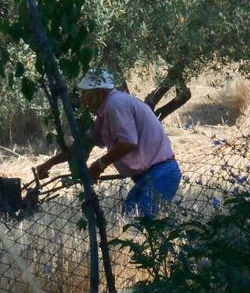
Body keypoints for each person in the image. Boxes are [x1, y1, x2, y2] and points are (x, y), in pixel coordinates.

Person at [33, 68, 181, 220]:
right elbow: (81, 147)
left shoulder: (115, 105)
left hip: (160, 173)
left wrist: (98, 165)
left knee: (141, 222)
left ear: (98, 94)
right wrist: (50, 163)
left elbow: (128, 143)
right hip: (149, 175)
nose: (82, 99)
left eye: (85, 94)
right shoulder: (105, 112)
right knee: (131, 221)